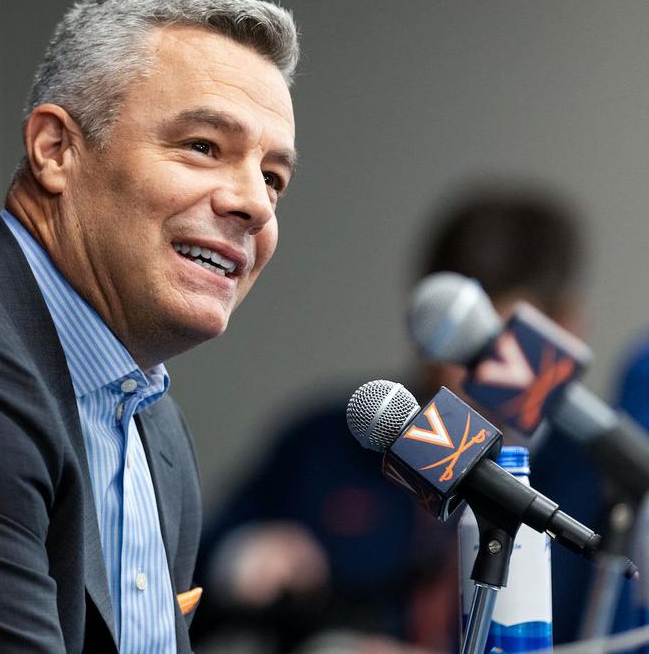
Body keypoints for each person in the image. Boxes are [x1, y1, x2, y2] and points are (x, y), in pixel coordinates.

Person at [0, 0, 300, 653]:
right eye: (202, 146)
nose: (256, 203)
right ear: (55, 150)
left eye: (274, 178)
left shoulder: (153, 421)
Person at [194, 187, 589, 652]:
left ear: (562, 329)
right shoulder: (340, 432)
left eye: (486, 341)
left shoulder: (594, 480)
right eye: (442, 334)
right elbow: (191, 568)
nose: (453, 368)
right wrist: (242, 557)